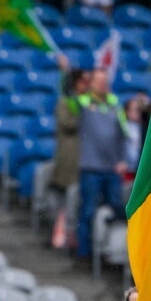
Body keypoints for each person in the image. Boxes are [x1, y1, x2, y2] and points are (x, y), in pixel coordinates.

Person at [75, 69, 130, 261]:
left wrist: (122, 160)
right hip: (90, 166)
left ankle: (111, 251)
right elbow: (68, 98)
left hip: (112, 168)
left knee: (116, 208)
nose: (101, 84)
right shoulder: (83, 101)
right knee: (88, 210)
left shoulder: (115, 103)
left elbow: (123, 132)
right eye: (97, 80)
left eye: (104, 80)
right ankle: (84, 253)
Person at [49, 67, 89, 207]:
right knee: (67, 198)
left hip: (87, 158)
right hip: (70, 157)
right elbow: (67, 123)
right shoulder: (66, 102)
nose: (87, 84)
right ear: (76, 83)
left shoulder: (89, 102)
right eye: (84, 81)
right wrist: (87, 115)